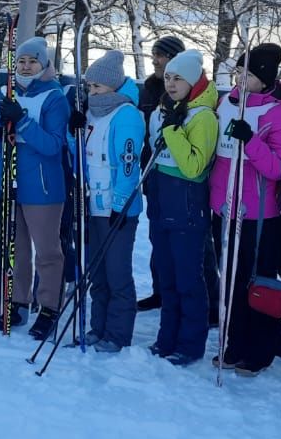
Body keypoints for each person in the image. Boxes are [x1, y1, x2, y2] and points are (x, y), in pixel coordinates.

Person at [210, 43, 281, 376]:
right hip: (225, 209)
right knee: (230, 281)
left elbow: (280, 167)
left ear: (264, 78)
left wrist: (252, 141)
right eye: (239, 72)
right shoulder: (226, 103)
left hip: (259, 215)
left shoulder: (275, 113)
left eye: (248, 73)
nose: (241, 78)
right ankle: (234, 343)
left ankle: (259, 350)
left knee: (256, 283)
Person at [0, 37, 70, 338]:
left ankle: (48, 306)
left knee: (47, 250)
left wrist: (20, 121)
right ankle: (18, 300)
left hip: (41, 184)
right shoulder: (6, 92)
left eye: (33, 61)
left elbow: (53, 145)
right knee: (14, 247)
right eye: (22, 61)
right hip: (5, 179)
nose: (26, 66)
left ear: (44, 64)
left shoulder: (54, 97)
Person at [146, 49, 217, 365]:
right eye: (169, 77)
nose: (171, 83)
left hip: (187, 205)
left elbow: (193, 166)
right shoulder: (165, 109)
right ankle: (166, 339)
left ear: (194, 81)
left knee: (189, 279)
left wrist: (173, 131)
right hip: (162, 201)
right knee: (167, 277)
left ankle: (189, 344)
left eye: (179, 79)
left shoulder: (203, 117)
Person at [75, 50, 145, 351]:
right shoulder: (91, 111)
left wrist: (120, 204)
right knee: (97, 272)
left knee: (117, 273)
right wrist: (72, 130)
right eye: (89, 87)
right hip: (92, 204)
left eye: (98, 87)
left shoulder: (126, 114)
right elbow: (80, 155)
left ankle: (117, 334)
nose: (92, 92)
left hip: (117, 209)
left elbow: (128, 164)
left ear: (113, 87)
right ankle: (98, 327)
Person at [137, 34, 183, 312]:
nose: (155, 60)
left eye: (161, 55)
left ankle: (196, 296)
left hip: (182, 175)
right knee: (158, 235)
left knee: (189, 242)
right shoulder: (148, 88)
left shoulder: (188, 89)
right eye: (154, 54)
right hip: (152, 171)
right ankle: (160, 290)